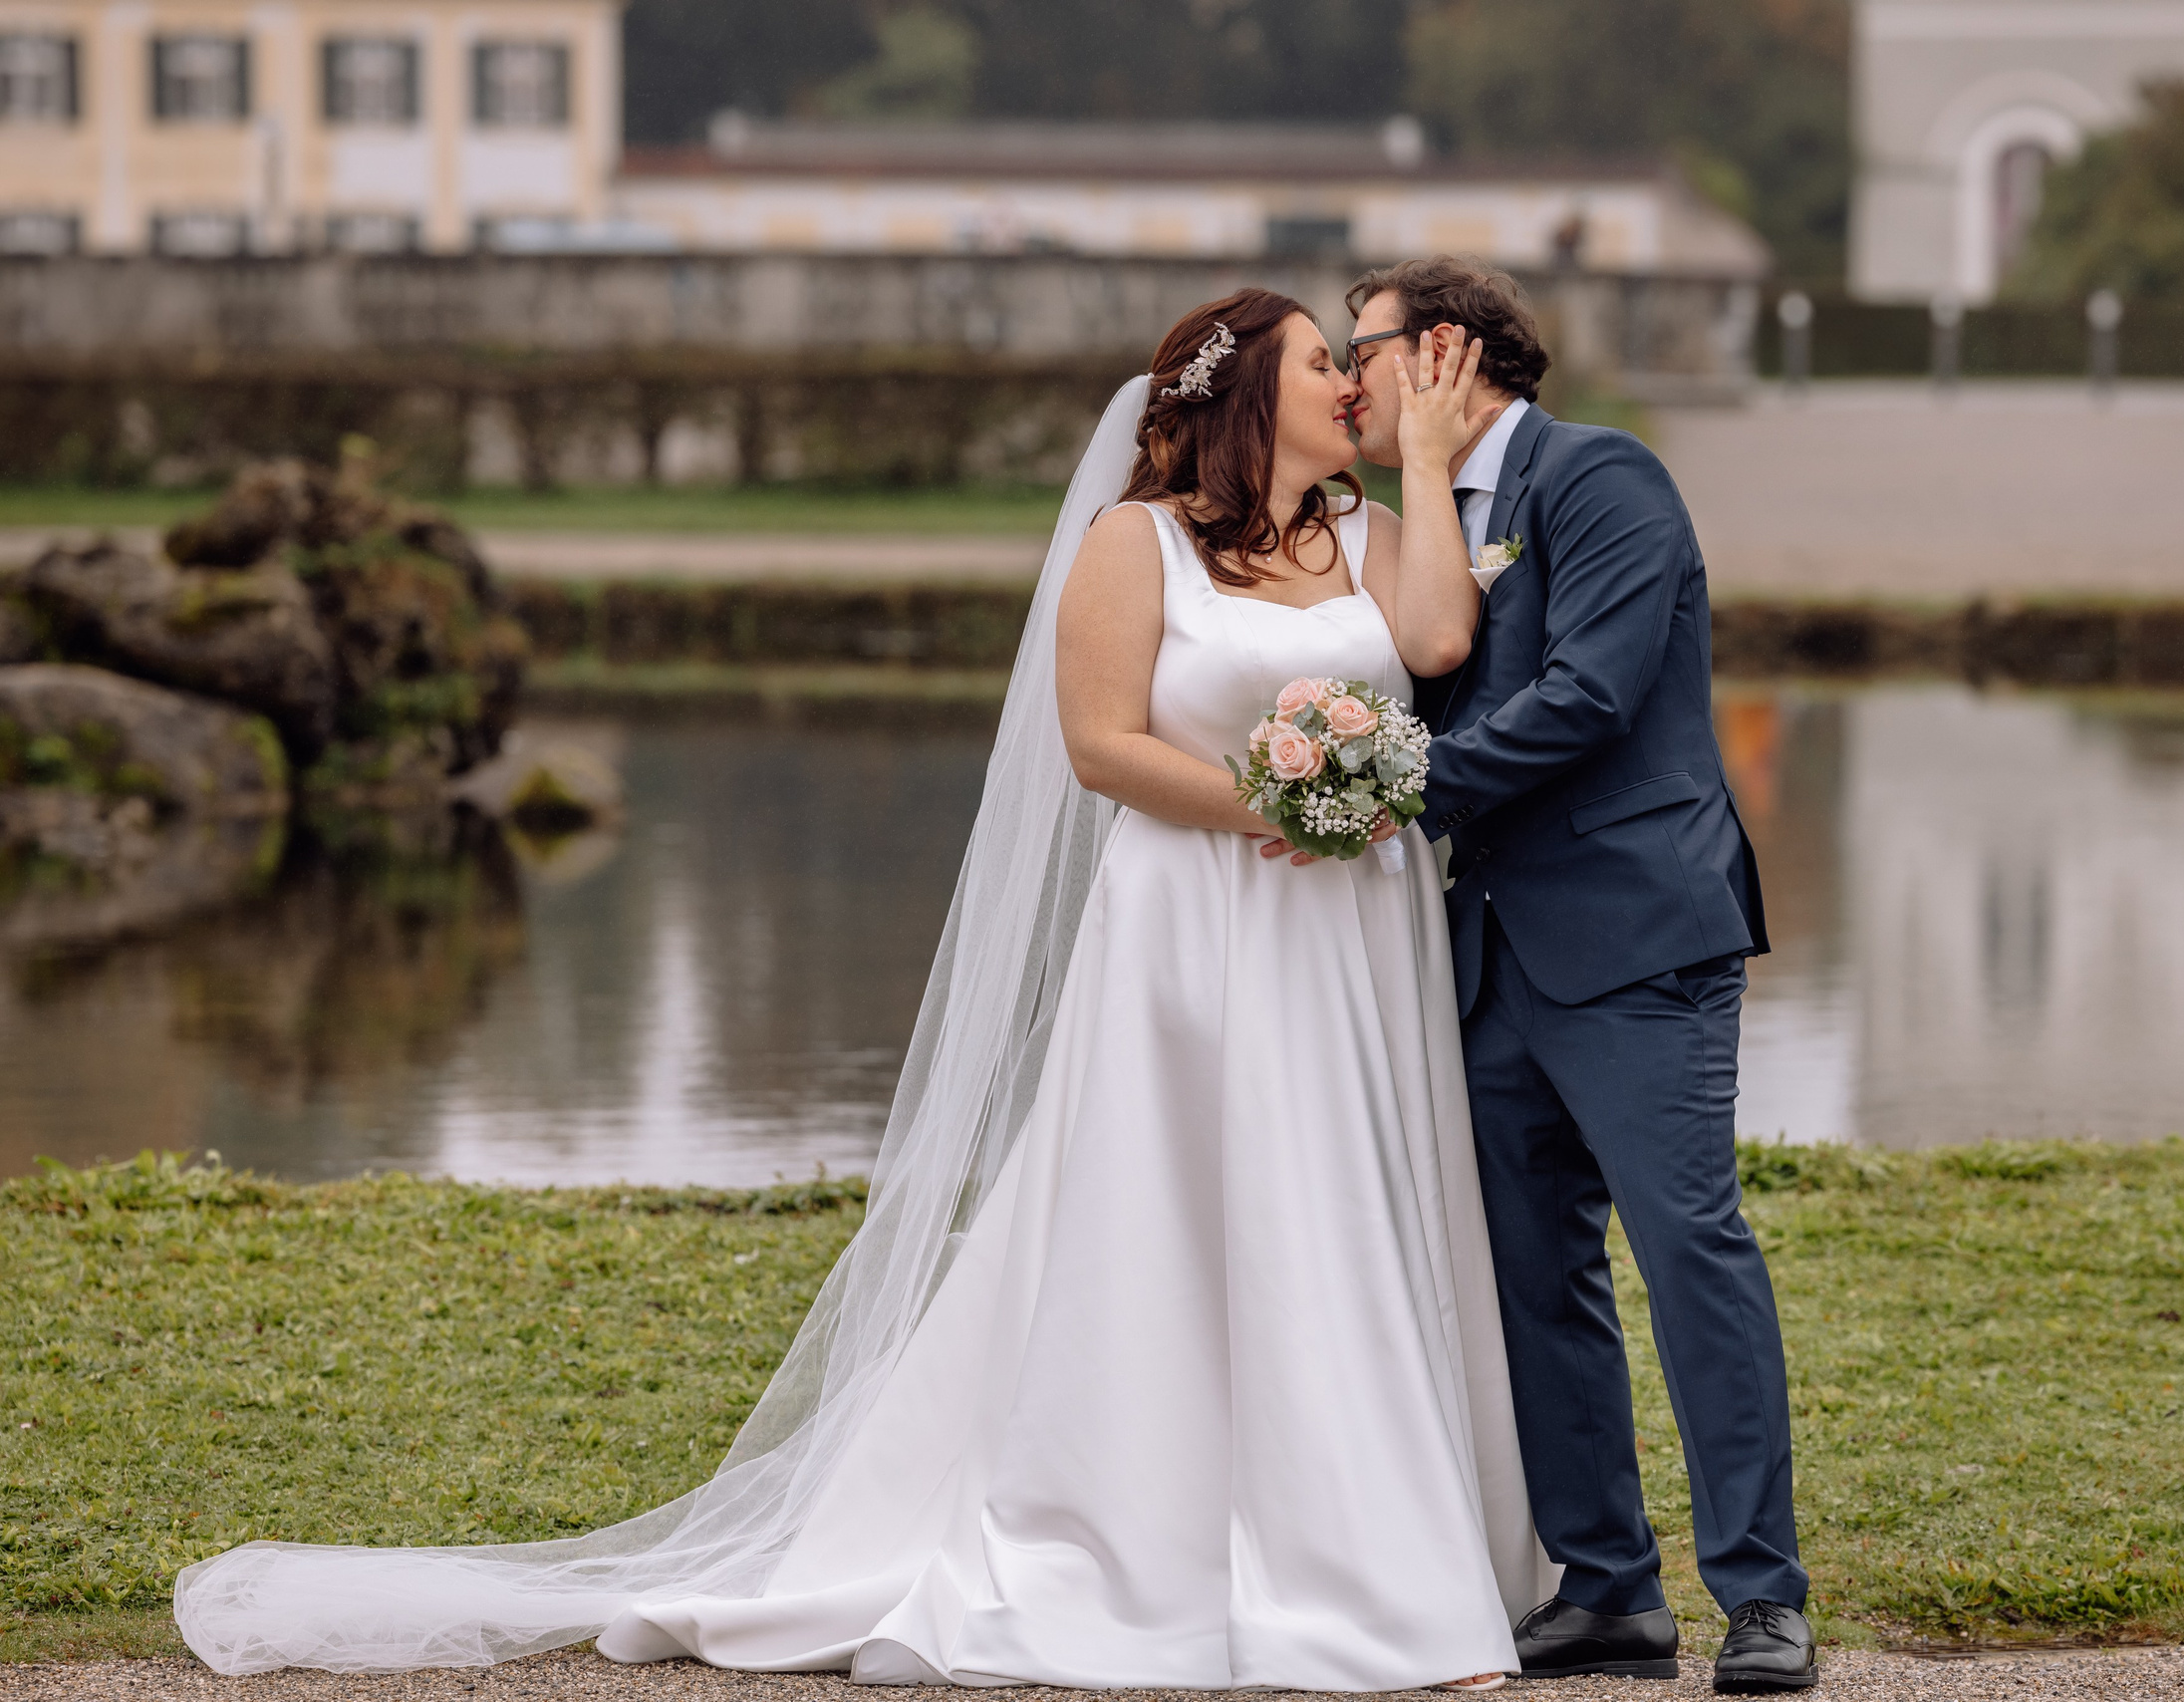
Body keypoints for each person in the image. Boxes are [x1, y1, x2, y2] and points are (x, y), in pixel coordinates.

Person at [173, 288, 1551, 1690]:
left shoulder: (1371, 531)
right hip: (1195, 926)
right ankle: (1162, 1542)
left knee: (1340, 1205)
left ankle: (1371, 1549)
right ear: (1251, 393)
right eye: (1326, 365)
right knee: (1186, 1212)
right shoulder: (1133, 546)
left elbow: (1437, 647)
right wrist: (1268, 805)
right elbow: (1100, 746)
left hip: (1346, 940)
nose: (1353, 386)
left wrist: (1428, 473)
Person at [1344, 255, 1817, 1693]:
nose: (1345, 379)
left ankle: (1763, 1598)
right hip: (1488, 951)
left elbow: (1591, 698)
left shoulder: (1605, 480)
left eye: (1359, 348)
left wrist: (1393, 788)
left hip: (1634, 936)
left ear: (1443, 353)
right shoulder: (1415, 521)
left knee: (1689, 1252)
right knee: (1536, 1277)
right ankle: (1607, 1587)